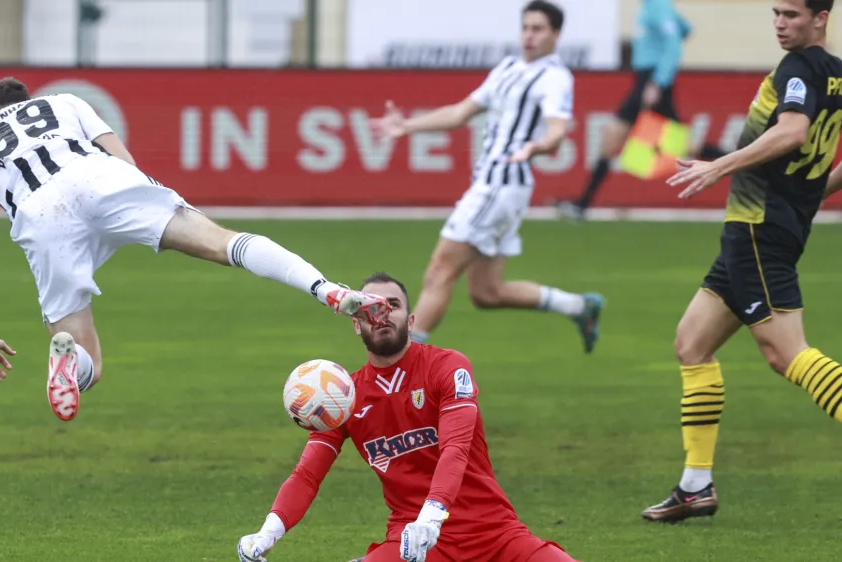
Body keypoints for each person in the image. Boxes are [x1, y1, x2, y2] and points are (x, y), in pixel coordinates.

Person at [0, 77, 391, 422]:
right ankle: (328, 291)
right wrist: (138, 215)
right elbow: (125, 162)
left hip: (41, 217)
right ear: (27, 99)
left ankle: (67, 359)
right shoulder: (62, 103)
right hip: (101, 178)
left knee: (89, 359)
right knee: (222, 242)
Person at [643, 0, 842, 523]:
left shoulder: (798, 68)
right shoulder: (837, 76)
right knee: (693, 343)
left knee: (786, 355)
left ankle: (696, 486)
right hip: (762, 231)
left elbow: (793, 132)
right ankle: (695, 487)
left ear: (822, 17)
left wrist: (719, 167)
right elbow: (817, 158)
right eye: (776, 13)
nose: (781, 23)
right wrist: (806, 197)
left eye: (793, 15)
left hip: (757, 230)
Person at [237, 272, 576, 562]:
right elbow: (307, 475)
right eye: (369, 307)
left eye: (393, 306)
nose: (381, 314)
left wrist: (431, 517)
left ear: (411, 321)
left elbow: (455, 449)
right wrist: (267, 534)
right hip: (411, 545)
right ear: (355, 324)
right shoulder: (342, 396)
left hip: (492, 533)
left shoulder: (447, 366)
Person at [369, 0, 604, 353]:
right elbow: (462, 111)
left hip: (500, 185)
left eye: (538, 29)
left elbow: (557, 131)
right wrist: (407, 126)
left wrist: (536, 148)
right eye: (525, 27)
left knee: (439, 271)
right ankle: (578, 306)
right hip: (500, 187)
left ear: (556, 34)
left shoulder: (554, 77)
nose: (529, 35)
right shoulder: (508, 67)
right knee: (486, 293)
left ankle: (405, 362)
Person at [556, 0, 727, 221]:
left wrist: (658, 81)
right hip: (647, 81)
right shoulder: (655, 5)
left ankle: (743, 163)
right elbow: (685, 30)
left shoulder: (657, 5)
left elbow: (674, 41)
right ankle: (582, 204)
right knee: (673, 144)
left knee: (673, 144)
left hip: (652, 81)